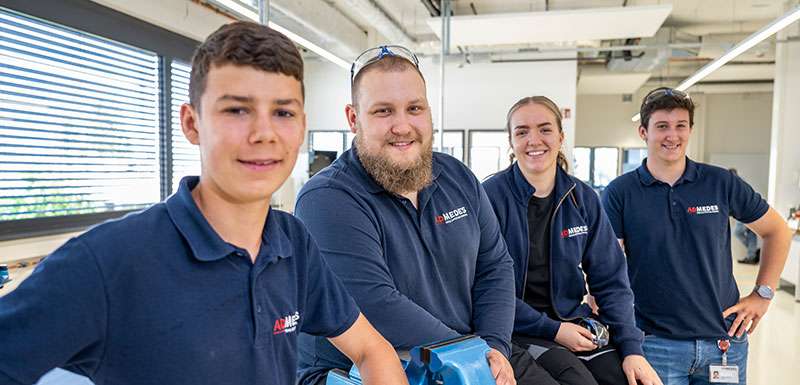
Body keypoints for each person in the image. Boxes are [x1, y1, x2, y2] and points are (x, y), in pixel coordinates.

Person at [0, 22, 407, 385]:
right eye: (237, 110)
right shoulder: (109, 261)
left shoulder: (292, 244)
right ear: (192, 124)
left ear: (301, 126)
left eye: (282, 112)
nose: (264, 133)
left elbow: (372, 349)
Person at [294, 45, 529, 385]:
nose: (402, 126)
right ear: (353, 118)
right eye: (383, 111)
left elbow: (494, 266)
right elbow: (375, 303)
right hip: (357, 372)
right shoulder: (327, 199)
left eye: (414, 108)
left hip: (470, 354)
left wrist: (494, 346)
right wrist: (474, 355)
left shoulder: (458, 177)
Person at [601, 87, 792, 384]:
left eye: (680, 126)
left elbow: (776, 230)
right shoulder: (620, 192)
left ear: (690, 129)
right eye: (662, 126)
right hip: (653, 344)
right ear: (643, 132)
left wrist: (762, 294)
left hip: (725, 341)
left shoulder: (721, 182)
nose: (672, 136)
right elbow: (606, 267)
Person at [482, 96, 661, 385]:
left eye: (545, 129)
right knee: (579, 380)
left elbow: (611, 281)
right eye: (522, 131)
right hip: (514, 326)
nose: (534, 140)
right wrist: (553, 330)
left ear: (561, 137)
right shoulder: (489, 198)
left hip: (571, 321)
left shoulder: (583, 199)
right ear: (511, 141)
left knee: (627, 379)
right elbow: (485, 287)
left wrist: (632, 349)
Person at [729, 169, 761, 264]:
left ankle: (753, 252)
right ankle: (752, 256)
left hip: (744, 212)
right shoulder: (740, 183)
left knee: (737, 232)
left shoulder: (736, 184)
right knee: (751, 234)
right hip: (750, 211)